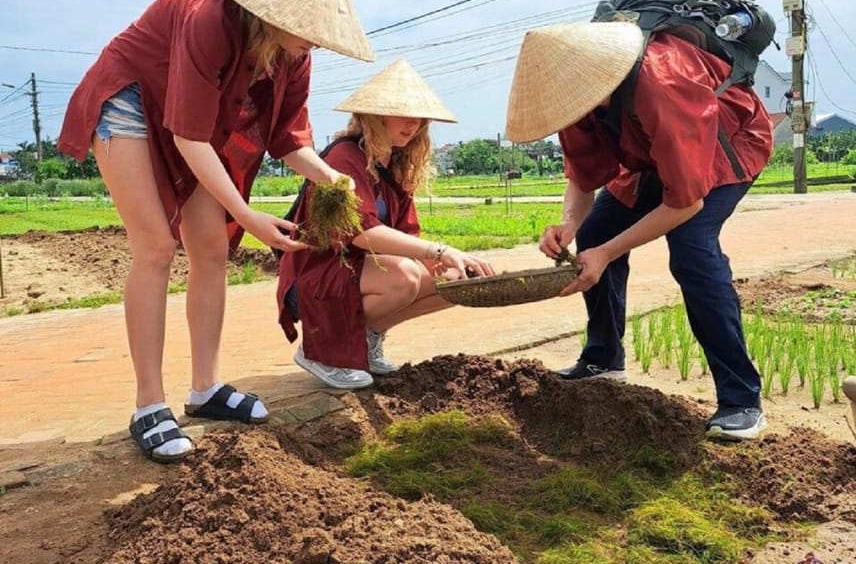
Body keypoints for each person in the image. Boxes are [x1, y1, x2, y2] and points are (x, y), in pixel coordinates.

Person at [57, 0, 374, 463]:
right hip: (131, 98)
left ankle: (204, 389)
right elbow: (188, 134)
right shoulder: (210, 15)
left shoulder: (293, 56)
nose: (314, 40)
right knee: (156, 247)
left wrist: (331, 176)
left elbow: (290, 138)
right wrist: (247, 218)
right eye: (307, 29)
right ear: (275, 14)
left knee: (211, 249)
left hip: (189, 124)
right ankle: (148, 405)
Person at [505, 22, 773, 441]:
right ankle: (603, 359)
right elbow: (584, 175)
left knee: (691, 249)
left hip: (725, 145)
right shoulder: (576, 101)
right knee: (593, 233)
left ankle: (741, 400)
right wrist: (568, 225)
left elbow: (685, 201)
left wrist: (608, 254)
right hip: (649, 155)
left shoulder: (663, 81)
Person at [277, 59, 495, 389]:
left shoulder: (395, 164)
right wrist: (441, 250)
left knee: (456, 281)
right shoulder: (344, 157)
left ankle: (363, 340)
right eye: (404, 114)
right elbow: (362, 233)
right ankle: (320, 349)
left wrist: (454, 262)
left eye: (420, 118)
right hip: (317, 276)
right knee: (405, 277)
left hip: (361, 273)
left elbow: (406, 235)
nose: (414, 125)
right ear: (376, 115)